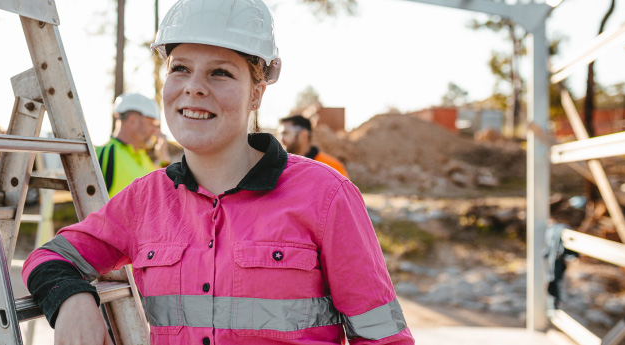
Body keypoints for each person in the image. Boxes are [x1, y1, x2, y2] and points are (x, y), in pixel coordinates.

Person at [22, 0, 414, 343]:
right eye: (180, 69)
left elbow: (382, 336)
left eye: (220, 72)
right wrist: (71, 299)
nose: (193, 87)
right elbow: (47, 258)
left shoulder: (326, 195)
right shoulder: (145, 199)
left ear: (257, 92)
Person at [96, 93, 170, 198]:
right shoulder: (104, 154)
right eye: (152, 123)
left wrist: (164, 159)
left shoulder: (144, 157)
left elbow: (165, 193)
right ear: (133, 121)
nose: (156, 130)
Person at [278, 114, 350, 178]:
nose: (281, 139)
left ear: (303, 135)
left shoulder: (333, 167)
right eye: (280, 134)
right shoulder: (279, 167)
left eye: (285, 133)